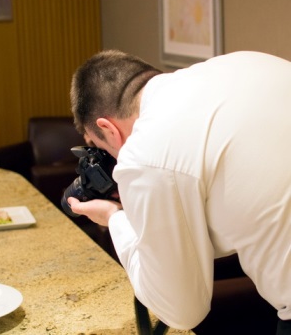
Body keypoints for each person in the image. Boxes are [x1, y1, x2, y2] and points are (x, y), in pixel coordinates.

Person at [67, 50, 291, 333]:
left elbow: (182, 312)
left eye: (101, 149)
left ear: (107, 128)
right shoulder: (245, 62)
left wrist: (115, 218)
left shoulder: (146, 152)